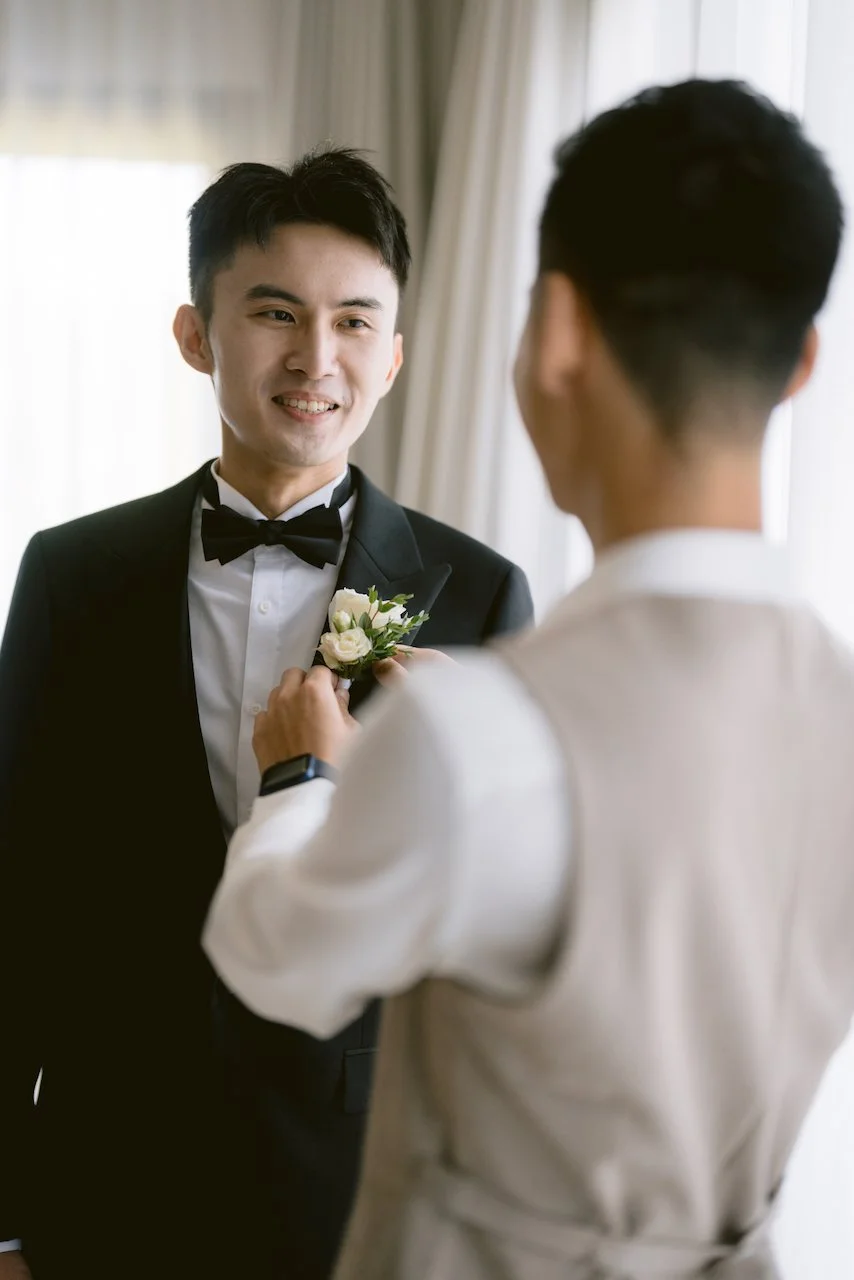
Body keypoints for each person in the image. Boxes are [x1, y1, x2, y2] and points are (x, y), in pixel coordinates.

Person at [204, 79, 854, 1280]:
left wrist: (300, 776)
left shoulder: (478, 736)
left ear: (553, 332)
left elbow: (273, 959)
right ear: (801, 360)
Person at [0, 149, 533, 1280]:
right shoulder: (70, 574)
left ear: (392, 358)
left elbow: (504, 941)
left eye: (353, 322)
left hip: (356, 1189)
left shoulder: (479, 591)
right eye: (276, 313)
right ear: (197, 333)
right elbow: (18, 895)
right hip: (107, 1175)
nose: (315, 358)